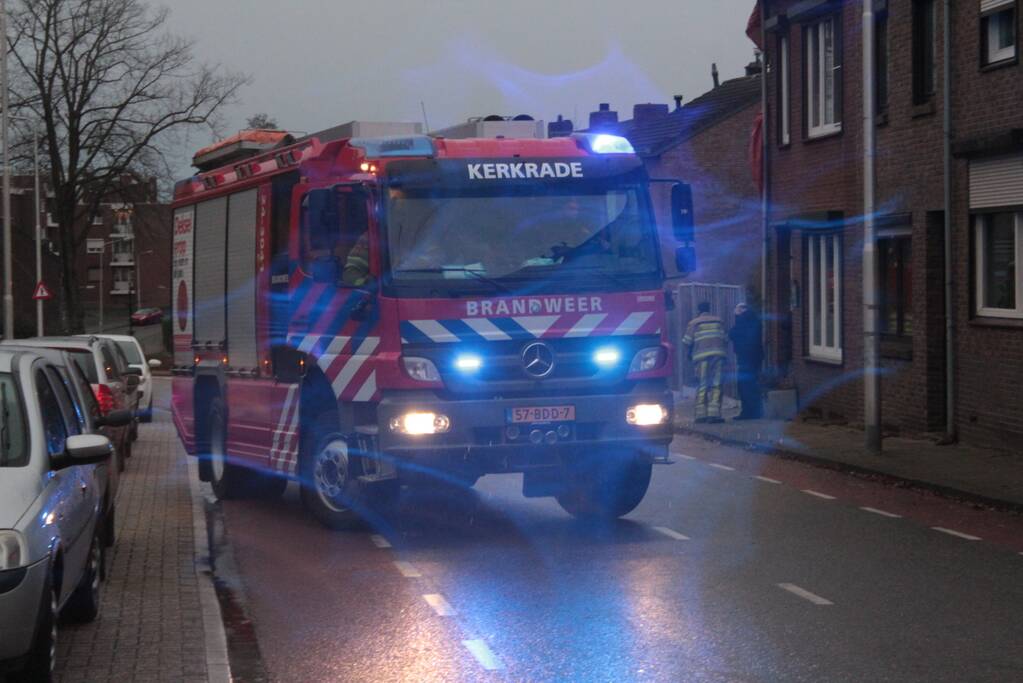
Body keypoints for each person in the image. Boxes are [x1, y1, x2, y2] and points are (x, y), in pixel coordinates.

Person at [682, 301, 727, 423]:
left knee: (702, 384)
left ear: (698, 311)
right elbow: (725, 339)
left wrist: (689, 354)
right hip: (718, 356)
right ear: (709, 309)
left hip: (701, 358)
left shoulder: (694, 323)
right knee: (716, 384)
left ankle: (701, 415)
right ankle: (714, 414)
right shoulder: (719, 321)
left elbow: (686, 341)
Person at [729, 302, 763, 420]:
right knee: (753, 385)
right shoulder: (755, 320)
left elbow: (732, 334)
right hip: (755, 358)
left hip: (745, 359)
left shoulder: (742, 322)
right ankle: (756, 412)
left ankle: (747, 413)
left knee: (744, 387)